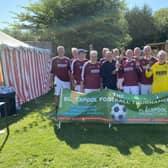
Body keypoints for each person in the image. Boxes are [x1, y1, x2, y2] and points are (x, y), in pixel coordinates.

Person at [50, 46, 71, 113]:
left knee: (67, 94)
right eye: (59, 50)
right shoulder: (54, 59)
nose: (61, 52)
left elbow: (70, 71)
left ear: (64, 51)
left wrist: (71, 81)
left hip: (66, 80)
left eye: (62, 50)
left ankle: (67, 107)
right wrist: (51, 81)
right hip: (57, 80)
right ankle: (57, 108)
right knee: (57, 94)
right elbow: (52, 72)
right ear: (57, 51)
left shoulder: (67, 59)